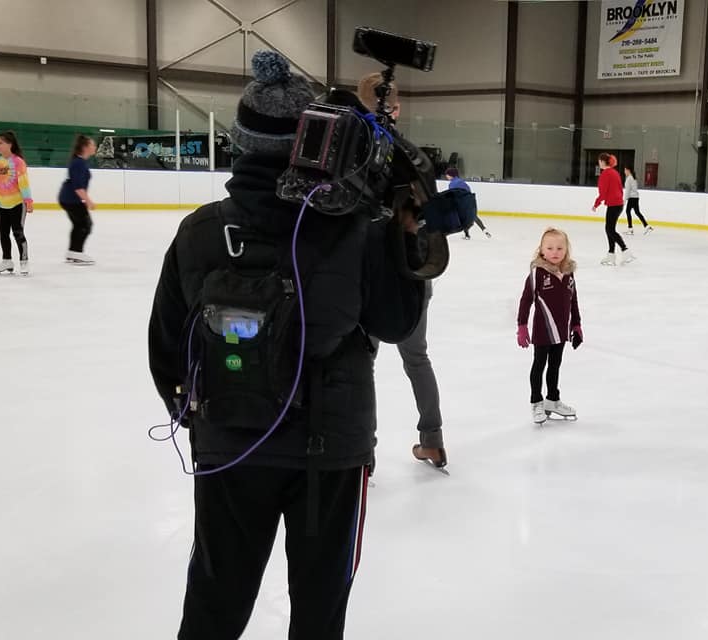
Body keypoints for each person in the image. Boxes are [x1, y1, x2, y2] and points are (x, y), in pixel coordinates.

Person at [147, 51, 440, 639]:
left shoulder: (200, 230)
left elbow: (166, 348)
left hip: (231, 446)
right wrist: (406, 230)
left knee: (214, 600)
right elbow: (399, 321)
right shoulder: (360, 227)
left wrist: (206, 418)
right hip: (330, 455)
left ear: (241, 144)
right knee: (319, 608)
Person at [360, 76, 447, 470]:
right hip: (413, 271)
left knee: (363, 361)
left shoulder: (355, 153)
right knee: (417, 357)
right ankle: (432, 439)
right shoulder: (413, 158)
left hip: (369, 274)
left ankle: (364, 450)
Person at [517, 227, 583, 425]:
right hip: (542, 330)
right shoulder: (537, 273)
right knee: (539, 365)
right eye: (550, 248)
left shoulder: (569, 274)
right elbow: (525, 300)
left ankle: (552, 400)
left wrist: (576, 325)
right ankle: (536, 401)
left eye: (560, 248)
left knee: (555, 365)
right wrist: (522, 326)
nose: (555, 252)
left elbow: (573, 301)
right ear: (542, 250)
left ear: (566, 251)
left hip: (561, 330)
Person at [0, 130, 33, 276]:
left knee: (18, 232)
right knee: (3, 234)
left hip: (17, 203)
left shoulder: (18, 162)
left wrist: (28, 201)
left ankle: (24, 261)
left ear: (10, 144)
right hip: (2, 204)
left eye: (0, 143)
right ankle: (7, 260)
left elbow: (24, 183)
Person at [59, 135, 97, 265]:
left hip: (69, 199)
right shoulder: (78, 163)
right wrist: (88, 201)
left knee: (79, 225)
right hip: (71, 199)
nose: (94, 147)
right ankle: (77, 253)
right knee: (85, 225)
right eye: (92, 145)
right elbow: (78, 187)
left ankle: (73, 252)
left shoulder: (80, 162)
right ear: (85, 147)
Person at [591, 153, 633, 265]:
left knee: (610, 230)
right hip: (618, 204)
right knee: (610, 229)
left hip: (614, 204)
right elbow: (620, 189)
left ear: (603, 162)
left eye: (600, 161)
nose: (599, 163)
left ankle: (625, 251)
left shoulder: (605, 174)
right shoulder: (615, 173)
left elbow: (603, 193)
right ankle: (611, 255)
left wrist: (596, 204)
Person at [447, 168, 491, 240]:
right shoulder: (461, 181)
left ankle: (466, 235)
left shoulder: (452, 184)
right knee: (473, 216)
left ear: (451, 175)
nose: (446, 177)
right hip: (470, 201)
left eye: (447, 175)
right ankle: (484, 229)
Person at [622, 166, 653, 235]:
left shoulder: (629, 179)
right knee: (637, 212)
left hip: (632, 198)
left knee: (628, 211)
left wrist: (624, 200)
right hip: (635, 197)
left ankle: (630, 228)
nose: (624, 172)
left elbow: (627, 191)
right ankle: (647, 226)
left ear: (628, 170)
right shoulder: (633, 177)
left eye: (625, 170)